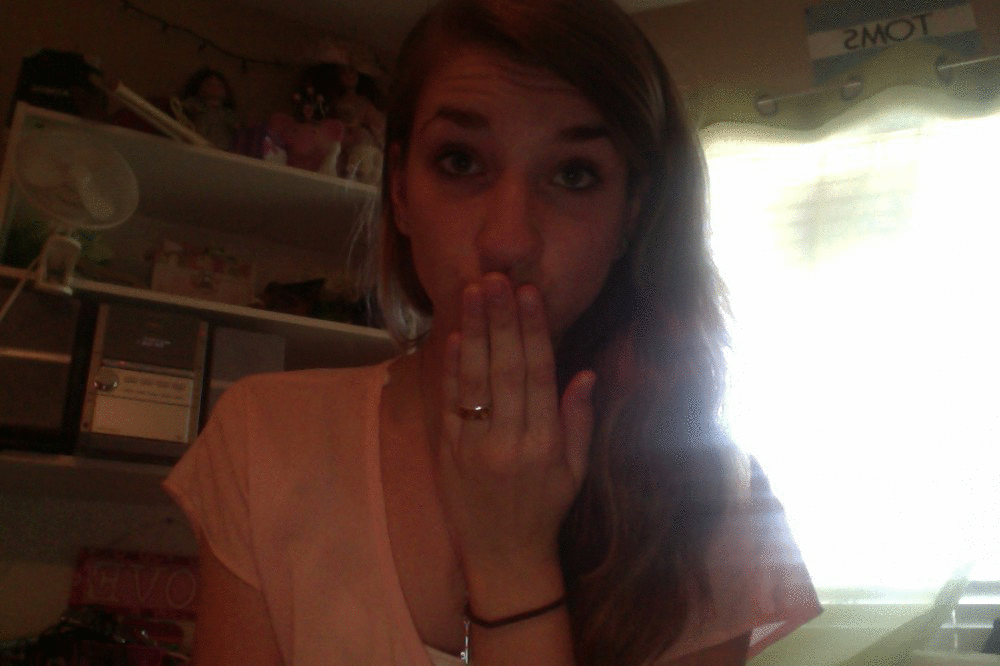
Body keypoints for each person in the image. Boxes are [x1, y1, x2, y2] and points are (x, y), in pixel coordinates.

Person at [163, 0, 822, 664]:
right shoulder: (262, 439)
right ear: (400, 192)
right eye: (460, 162)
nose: (508, 241)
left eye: (573, 174)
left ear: (630, 215)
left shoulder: (711, 496)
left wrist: (511, 560)